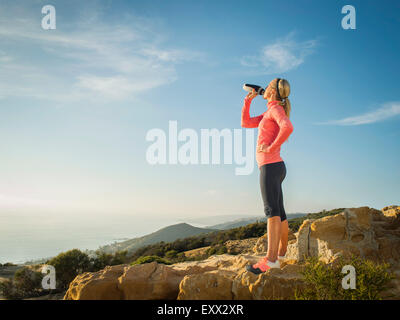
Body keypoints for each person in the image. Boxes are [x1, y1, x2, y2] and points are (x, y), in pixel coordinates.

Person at [241, 78, 294, 274]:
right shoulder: (270, 110)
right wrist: (248, 101)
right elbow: (245, 122)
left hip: (270, 166)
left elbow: (287, 127)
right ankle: (281, 254)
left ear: (272, 92)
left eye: (268, 85)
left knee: (271, 213)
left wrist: (271, 147)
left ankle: (271, 261)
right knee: (279, 211)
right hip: (276, 166)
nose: (265, 86)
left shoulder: (275, 110)